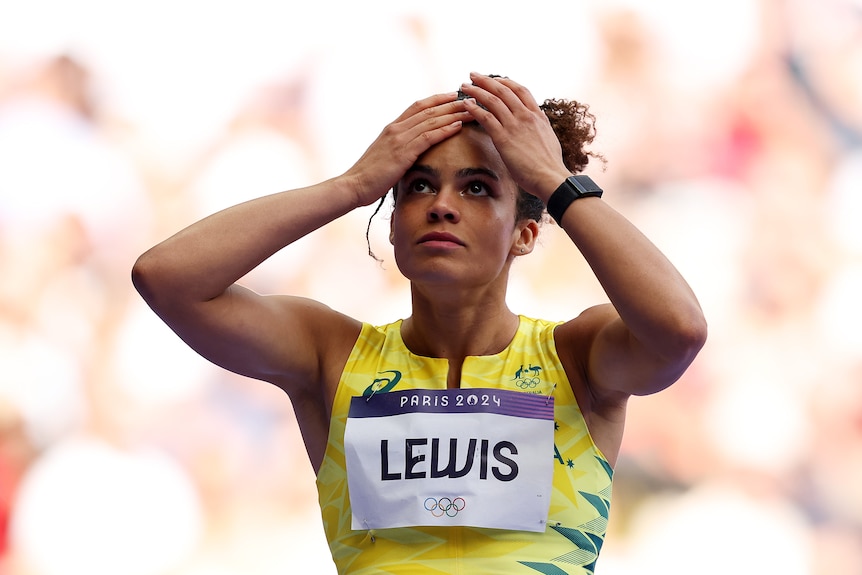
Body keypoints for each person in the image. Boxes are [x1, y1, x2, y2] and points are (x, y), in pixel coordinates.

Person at [132, 72, 707, 574]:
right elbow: (165, 277)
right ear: (393, 225)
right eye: (419, 186)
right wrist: (352, 186)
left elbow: (679, 329)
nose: (442, 205)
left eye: (477, 188)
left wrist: (557, 186)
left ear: (525, 233)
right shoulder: (329, 355)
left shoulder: (578, 358)